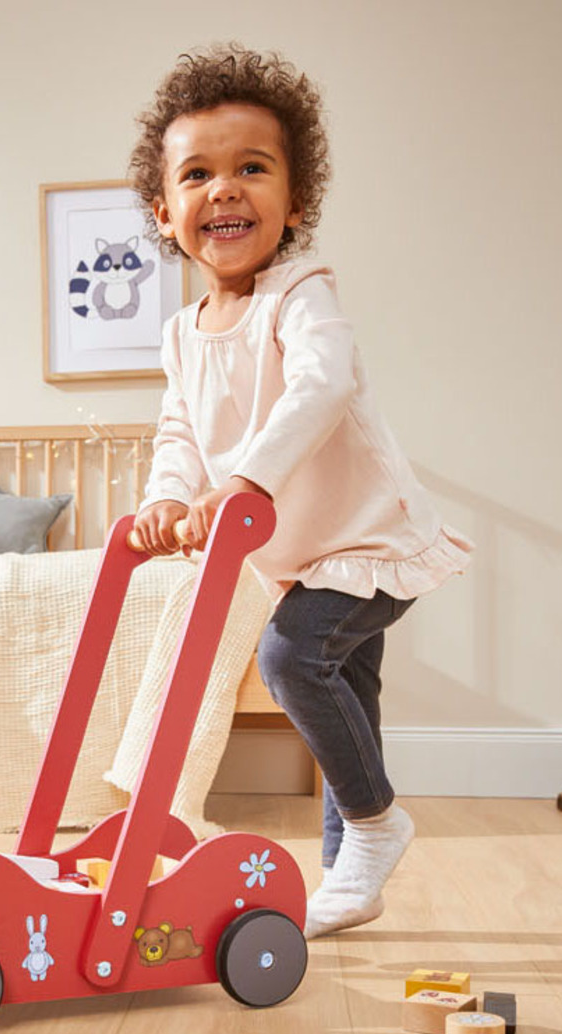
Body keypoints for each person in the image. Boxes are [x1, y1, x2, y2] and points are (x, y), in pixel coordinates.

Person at [128, 44, 474, 939]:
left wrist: (245, 478)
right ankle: (345, 877)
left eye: (253, 168)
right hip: (302, 554)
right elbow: (178, 432)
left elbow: (322, 385)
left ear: (296, 203)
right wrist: (168, 498)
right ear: (165, 213)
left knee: (289, 659)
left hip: (370, 536)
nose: (225, 189)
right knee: (348, 690)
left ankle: (375, 823)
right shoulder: (179, 334)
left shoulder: (301, 294)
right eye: (198, 174)